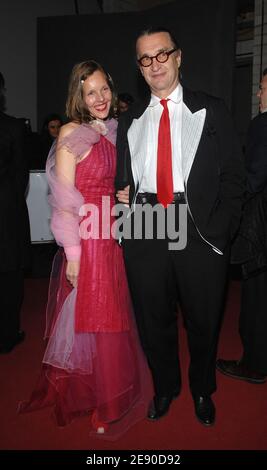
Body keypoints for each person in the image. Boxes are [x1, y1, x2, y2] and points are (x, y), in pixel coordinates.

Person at [116, 26, 245, 426]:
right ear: (139, 68)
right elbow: (124, 178)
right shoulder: (131, 118)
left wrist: (221, 230)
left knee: (204, 319)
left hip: (198, 226)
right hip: (146, 225)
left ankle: (203, 389)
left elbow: (235, 178)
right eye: (145, 59)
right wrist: (125, 209)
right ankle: (165, 387)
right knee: (152, 318)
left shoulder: (212, 109)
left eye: (161, 54)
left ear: (178, 57)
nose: (154, 64)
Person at [18, 60, 152, 438]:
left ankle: (111, 393)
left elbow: (114, 184)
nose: (99, 98)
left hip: (113, 236)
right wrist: (73, 255)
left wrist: (123, 193)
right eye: (90, 91)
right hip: (87, 241)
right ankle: (98, 398)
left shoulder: (112, 131)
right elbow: (63, 202)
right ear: (78, 95)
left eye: (104, 89)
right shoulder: (71, 134)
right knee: (93, 319)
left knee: (112, 317)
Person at [216, 68, 267, 384]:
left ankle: (256, 365)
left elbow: (255, 176)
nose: (259, 94)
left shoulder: (263, 124)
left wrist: (226, 205)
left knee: (257, 297)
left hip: (261, 229)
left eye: (263, 88)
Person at [0, 72, 31, 354]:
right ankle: (7, 335)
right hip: (7, 216)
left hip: (8, 215)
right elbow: (22, 177)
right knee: (10, 278)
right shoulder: (14, 127)